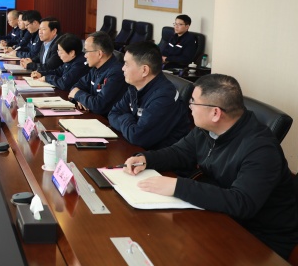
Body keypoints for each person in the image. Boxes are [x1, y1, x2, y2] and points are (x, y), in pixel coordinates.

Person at [122, 74, 298, 260]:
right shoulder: (208, 129)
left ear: (215, 113)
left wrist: (178, 186)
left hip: (259, 237)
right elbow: (180, 152)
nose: (189, 107)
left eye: (193, 102)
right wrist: (146, 159)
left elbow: (242, 203)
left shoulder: (261, 149)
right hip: (220, 214)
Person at [108, 41, 190, 149]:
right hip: (137, 149)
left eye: (126, 64)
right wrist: (131, 124)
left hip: (160, 157)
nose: (123, 68)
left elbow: (138, 137)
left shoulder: (164, 97)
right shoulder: (135, 86)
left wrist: (126, 117)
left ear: (144, 70)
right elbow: (113, 114)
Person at [68, 31, 127, 115]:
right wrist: (79, 98)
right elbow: (75, 87)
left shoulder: (116, 73)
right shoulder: (95, 68)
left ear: (99, 54)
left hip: (106, 120)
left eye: (86, 51)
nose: (85, 55)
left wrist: (78, 95)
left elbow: (98, 105)